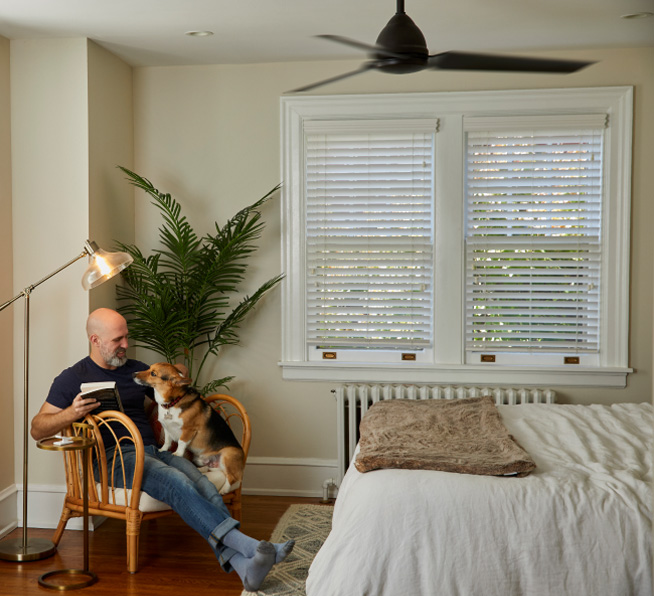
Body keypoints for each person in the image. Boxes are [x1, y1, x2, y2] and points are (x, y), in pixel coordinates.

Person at [31, 307, 293, 591]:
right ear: (95, 340)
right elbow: (38, 428)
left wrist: (178, 374)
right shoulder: (72, 378)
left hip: (154, 450)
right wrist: (71, 412)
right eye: (118, 339)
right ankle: (251, 547)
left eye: (126, 337)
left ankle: (245, 567)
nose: (125, 345)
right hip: (114, 459)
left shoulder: (135, 370)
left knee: (201, 483)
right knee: (175, 481)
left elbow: (173, 395)